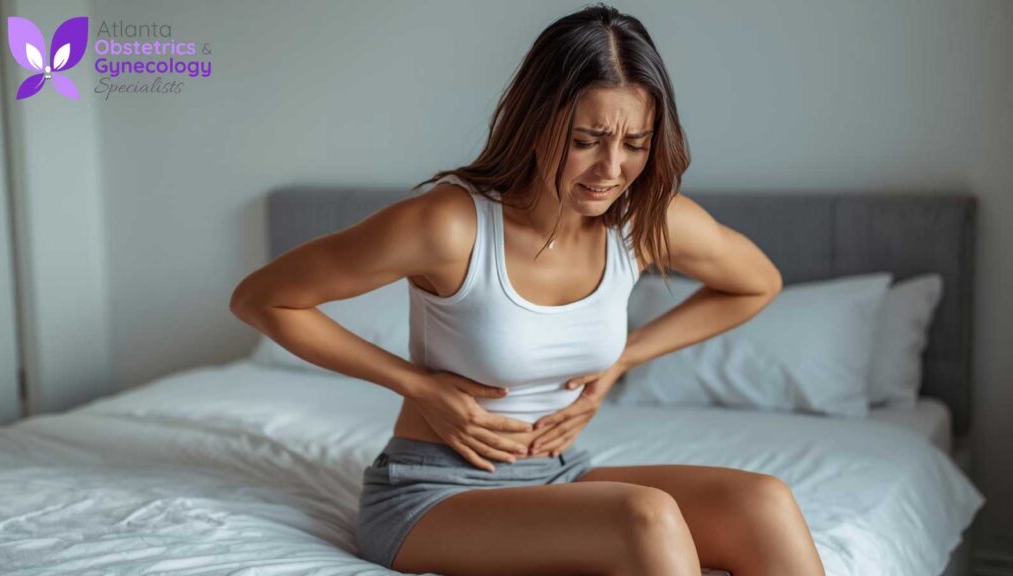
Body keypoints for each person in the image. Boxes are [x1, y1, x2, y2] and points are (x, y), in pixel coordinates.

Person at [230, 4, 825, 575]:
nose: (611, 169)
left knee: (763, 502)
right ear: (538, 120)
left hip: (557, 476)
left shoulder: (644, 223)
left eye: (635, 145)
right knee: (645, 514)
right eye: (587, 139)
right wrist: (419, 386)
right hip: (431, 492)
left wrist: (623, 359)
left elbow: (756, 284)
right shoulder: (450, 225)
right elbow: (261, 298)